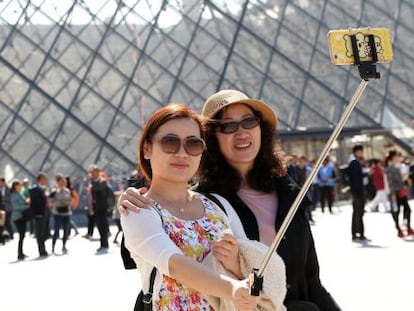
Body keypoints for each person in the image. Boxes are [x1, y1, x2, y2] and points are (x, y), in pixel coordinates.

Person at [120, 90, 340, 311]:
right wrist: (134, 197)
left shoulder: (286, 193)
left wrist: (237, 265)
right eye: (228, 126)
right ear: (212, 140)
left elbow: (311, 277)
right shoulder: (207, 197)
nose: (182, 152)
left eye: (249, 121)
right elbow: (157, 257)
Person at [385, 151, 413, 237]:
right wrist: (392, 194)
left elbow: (401, 180)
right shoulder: (389, 168)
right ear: (392, 158)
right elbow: (390, 182)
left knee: (407, 209)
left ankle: (407, 227)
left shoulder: (399, 167)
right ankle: (398, 228)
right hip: (394, 193)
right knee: (396, 211)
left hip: (401, 192)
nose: (398, 158)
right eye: (396, 156)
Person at [348, 145, 368, 242]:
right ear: (357, 152)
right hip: (357, 192)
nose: (362, 153)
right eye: (361, 151)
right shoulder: (354, 163)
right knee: (358, 213)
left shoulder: (355, 162)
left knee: (358, 213)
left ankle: (359, 233)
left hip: (357, 192)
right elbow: (357, 179)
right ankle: (357, 233)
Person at [88, 164, 110, 252]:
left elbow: (98, 188)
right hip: (95, 207)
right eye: (91, 172)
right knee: (99, 226)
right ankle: (102, 244)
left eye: (94, 172)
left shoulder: (102, 181)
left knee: (103, 226)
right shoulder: (93, 182)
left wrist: (92, 182)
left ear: (98, 172)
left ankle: (105, 244)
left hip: (102, 207)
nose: (92, 174)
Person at [50, 174, 73, 254]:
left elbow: (71, 200)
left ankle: (64, 245)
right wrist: (60, 202)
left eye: (64, 181)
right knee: (56, 230)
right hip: (58, 212)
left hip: (66, 212)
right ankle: (53, 246)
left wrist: (68, 202)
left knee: (66, 229)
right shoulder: (54, 191)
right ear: (58, 182)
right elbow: (51, 201)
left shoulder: (67, 191)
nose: (63, 182)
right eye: (61, 181)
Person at [29, 172, 49, 257]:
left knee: (45, 232)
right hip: (39, 214)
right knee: (40, 233)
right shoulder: (34, 189)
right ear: (40, 179)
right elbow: (36, 202)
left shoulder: (44, 189)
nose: (46, 181)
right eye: (45, 179)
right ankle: (42, 250)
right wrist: (38, 213)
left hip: (45, 213)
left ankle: (43, 248)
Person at [10, 180, 30, 260]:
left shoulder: (20, 193)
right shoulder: (14, 195)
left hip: (22, 216)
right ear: (15, 186)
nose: (21, 186)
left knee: (23, 235)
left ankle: (21, 252)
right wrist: (25, 207)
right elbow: (15, 206)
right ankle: (20, 253)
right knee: (21, 235)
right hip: (17, 217)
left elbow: (24, 201)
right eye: (20, 185)